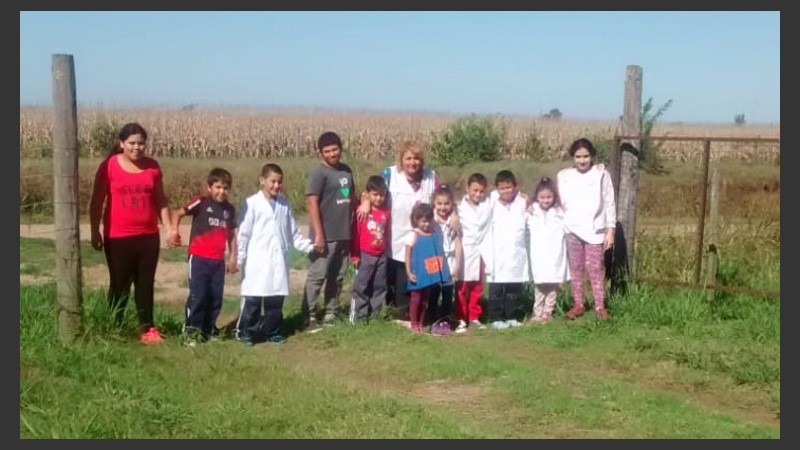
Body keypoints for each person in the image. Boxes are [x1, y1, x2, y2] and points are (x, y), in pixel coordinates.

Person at [89, 122, 174, 344]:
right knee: (120, 285)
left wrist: (169, 228)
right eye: (132, 143)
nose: (137, 147)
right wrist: (94, 231)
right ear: (122, 143)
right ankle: (114, 326)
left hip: (148, 237)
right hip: (118, 237)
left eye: (141, 143)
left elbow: (160, 200)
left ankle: (148, 329)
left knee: (145, 284)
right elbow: (96, 201)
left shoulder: (152, 167)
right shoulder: (109, 166)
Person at [356, 141, 448, 322]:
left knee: (423, 281)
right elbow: (372, 190)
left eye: (416, 158)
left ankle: (425, 313)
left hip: (423, 240)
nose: (412, 162)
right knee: (399, 289)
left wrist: (453, 215)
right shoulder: (390, 174)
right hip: (396, 240)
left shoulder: (431, 177)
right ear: (401, 159)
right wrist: (365, 201)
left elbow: (444, 198)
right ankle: (398, 313)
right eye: (408, 158)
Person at [232, 163, 314, 345]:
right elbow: (243, 234)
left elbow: (293, 233)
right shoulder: (252, 203)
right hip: (256, 261)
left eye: (279, 182)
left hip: (278, 260)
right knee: (253, 299)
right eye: (273, 181)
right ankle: (245, 332)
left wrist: (310, 247)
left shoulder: (284, 204)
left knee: (275, 300)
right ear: (262, 180)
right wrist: (239, 258)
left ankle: (273, 331)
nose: (277, 186)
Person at [168, 168, 238, 345]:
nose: (222, 191)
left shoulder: (229, 210)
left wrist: (233, 257)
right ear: (209, 187)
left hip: (218, 261)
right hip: (199, 258)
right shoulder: (201, 202)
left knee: (215, 297)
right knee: (198, 295)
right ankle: (191, 331)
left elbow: (231, 235)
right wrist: (174, 231)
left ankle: (209, 329)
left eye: (225, 188)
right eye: (218, 187)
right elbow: (177, 213)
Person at [302, 131, 357, 331]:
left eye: (335, 150)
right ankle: (308, 315)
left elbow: (352, 197)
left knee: (338, 276)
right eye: (327, 151)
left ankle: (330, 312)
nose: (332, 154)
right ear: (320, 152)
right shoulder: (319, 172)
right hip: (325, 235)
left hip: (344, 234)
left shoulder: (346, 170)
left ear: (341, 148)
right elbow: (311, 202)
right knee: (317, 276)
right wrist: (318, 234)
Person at [557, 137, 617, 321]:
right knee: (575, 268)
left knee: (595, 268)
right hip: (571, 229)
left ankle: (600, 306)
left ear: (592, 156)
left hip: (595, 230)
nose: (582, 160)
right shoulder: (564, 176)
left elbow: (609, 202)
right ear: (572, 157)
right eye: (578, 156)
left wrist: (610, 229)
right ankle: (578, 304)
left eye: (586, 156)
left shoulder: (601, 174)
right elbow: (556, 200)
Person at [482, 170, 530, 330]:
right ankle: (496, 317)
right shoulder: (491, 201)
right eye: (502, 188)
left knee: (514, 287)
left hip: (515, 253)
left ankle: (511, 316)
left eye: (509, 187)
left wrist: (526, 199)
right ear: (496, 188)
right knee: (496, 288)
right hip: (497, 253)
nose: (506, 191)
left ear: (515, 186)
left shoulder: (522, 202)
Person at [526, 176, 570, 324]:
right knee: (539, 285)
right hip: (539, 253)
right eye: (542, 197)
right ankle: (537, 312)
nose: (546, 200)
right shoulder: (532, 210)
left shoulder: (559, 212)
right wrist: (527, 202)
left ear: (554, 196)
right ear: (537, 197)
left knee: (552, 285)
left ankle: (547, 313)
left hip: (554, 254)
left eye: (549, 197)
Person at [348, 175, 391, 324]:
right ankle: (358, 316)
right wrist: (355, 255)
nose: (379, 198)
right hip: (365, 255)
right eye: (375, 194)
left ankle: (374, 316)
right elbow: (356, 234)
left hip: (381, 255)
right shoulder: (363, 212)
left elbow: (386, 232)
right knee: (361, 286)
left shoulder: (386, 212)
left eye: (382, 195)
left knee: (380, 286)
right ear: (368, 194)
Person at [404, 203, 452, 333]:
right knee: (416, 298)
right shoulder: (413, 235)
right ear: (417, 220)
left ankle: (421, 322)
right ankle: (413, 323)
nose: (426, 224)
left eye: (429, 221)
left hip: (429, 275)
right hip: (417, 274)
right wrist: (408, 272)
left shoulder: (433, 233)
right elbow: (407, 255)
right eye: (423, 221)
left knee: (425, 299)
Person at [454, 173, 492, 333]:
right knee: (462, 287)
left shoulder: (488, 202)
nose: (478, 194)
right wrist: (453, 214)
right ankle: (460, 317)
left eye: (481, 191)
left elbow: (506, 193)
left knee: (477, 286)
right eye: (475, 190)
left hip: (481, 251)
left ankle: (474, 317)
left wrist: (523, 196)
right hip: (465, 250)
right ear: (467, 188)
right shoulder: (458, 208)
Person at [427, 185, 462, 335]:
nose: (443, 207)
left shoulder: (454, 221)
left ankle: (445, 322)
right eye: (439, 203)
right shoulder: (430, 219)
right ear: (434, 203)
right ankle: (432, 321)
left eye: (447, 203)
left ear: (452, 204)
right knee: (433, 293)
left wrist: (457, 266)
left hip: (450, 260)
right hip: (434, 260)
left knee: (448, 294)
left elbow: (458, 243)